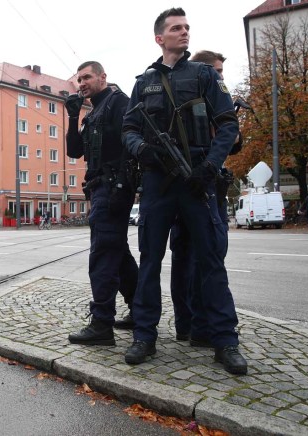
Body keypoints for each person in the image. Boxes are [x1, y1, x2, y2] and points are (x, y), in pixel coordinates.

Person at [122, 8, 247, 374]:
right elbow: (128, 128)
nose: (185, 32)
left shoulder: (204, 75)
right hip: (158, 182)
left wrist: (209, 166)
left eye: (187, 27)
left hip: (197, 177)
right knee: (149, 262)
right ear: (160, 38)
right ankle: (144, 336)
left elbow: (227, 125)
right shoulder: (143, 82)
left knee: (211, 262)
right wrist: (142, 149)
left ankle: (225, 341)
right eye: (177, 28)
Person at [169, 49, 241, 348]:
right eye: (216, 70)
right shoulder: (191, 99)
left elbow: (234, 143)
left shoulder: (214, 100)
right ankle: (195, 326)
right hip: (195, 186)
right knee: (196, 257)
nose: (220, 77)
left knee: (196, 258)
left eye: (221, 71)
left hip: (210, 184)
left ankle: (195, 325)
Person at [65, 61, 139, 346]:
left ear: (102, 77)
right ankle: (139, 310)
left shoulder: (119, 103)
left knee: (103, 256)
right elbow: (74, 150)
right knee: (118, 255)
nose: (81, 83)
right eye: (78, 80)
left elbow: (131, 145)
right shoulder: (94, 112)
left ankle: (101, 324)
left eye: (87, 77)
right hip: (100, 190)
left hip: (112, 190)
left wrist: (124, 185)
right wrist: (72, 117)